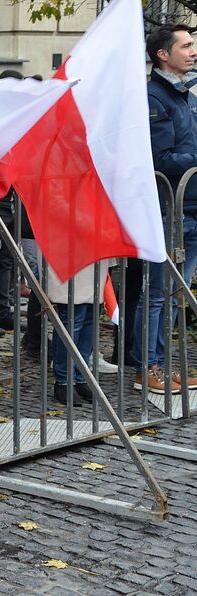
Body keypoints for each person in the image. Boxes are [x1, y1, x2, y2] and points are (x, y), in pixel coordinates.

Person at [132, 23, 197, 394]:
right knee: (157, 295)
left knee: (176, 295)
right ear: (162, 54)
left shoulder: (186, 95)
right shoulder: (153, 97)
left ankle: (164, 364)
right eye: (185, 46)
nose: (193, 51)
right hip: (167, 209)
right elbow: (158, 160)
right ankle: (147, 368)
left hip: (190, 208)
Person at [46, 261, 108, 406]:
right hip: (70, 254)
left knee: (90, 315)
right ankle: (64, 380)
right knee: (73, 316)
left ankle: (81, 377)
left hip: (94, 255)